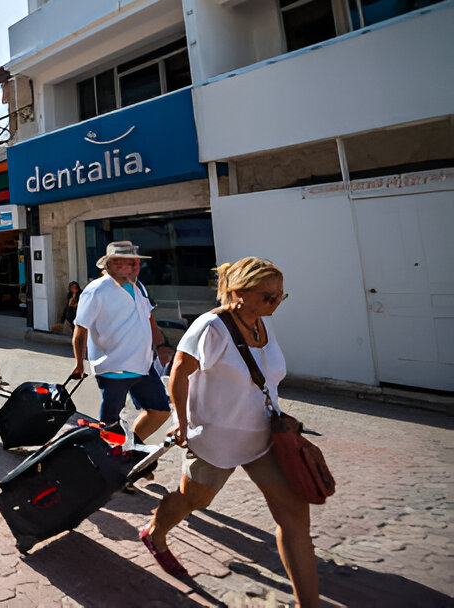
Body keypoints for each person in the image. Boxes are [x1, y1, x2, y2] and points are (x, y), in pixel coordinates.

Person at [140, 258, 317, 607]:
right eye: (269, 296)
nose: (276, 303)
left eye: (282, 295)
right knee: (194, 500)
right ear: (238, 293)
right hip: (217, 440)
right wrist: (184, 422)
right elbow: (179, 371)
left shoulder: (264, 324)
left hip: (266, 438)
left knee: (295, 521)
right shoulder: (212, 327)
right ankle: (155, 533)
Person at [70, 241, 170, 444]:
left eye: (132, 263)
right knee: (110, 425)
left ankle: (132, 448)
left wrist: (160, 345)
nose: (127, 268)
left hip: (143, 364)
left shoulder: (138, 286)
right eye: (120, 263)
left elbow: (148, 318)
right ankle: (106, 460)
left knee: (160, 410)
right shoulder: (96, 290)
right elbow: (80, 329)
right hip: (114, 366)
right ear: (108, 265)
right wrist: (79, 365)